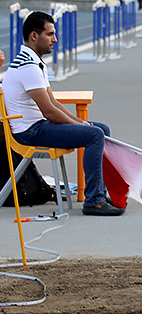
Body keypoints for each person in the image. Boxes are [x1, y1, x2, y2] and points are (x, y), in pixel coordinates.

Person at [2, 12, 124, 215]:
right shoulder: (28, 67)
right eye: (50, 34)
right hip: (29, 132)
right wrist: (81, 126)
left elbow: (54, 103)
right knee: (94, 135)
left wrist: (81, 122)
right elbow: (49, 111)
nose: (55, 39)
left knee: (101, 129)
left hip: (38, 126)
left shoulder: (34, 62)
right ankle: (94, 202)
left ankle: (99, 193)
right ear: (34, 36)